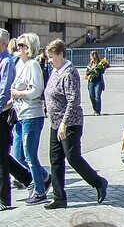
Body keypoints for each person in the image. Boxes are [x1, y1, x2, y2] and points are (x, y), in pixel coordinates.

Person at [44, 40, 108, 209]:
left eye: (51, 57)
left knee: (73, 158)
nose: (49, 60)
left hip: (70, 123)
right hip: (55, 123)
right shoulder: (55, 71)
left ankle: (99, 182)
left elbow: (73, 100)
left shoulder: (69, 72)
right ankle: (59, 197)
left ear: (60, 54)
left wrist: (64, 123)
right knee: (55, 159)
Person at [10, 33, 49, 205]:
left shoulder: (33, 65)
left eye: (23, 46)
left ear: (30, 47)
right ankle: (44, 178)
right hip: (20, 114)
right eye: (19, 45)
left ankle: (40, 191)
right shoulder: (20, 64)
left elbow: (36, 90)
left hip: (32, 115)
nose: (20, 48)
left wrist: (19, 94)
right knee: (19, 154)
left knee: (30, 154)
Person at [0, 29, 32, 211]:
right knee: (2, 155)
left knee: (1, 158)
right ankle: (30, 178)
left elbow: (4, 91)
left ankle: (4, 199)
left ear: (4, 44)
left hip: (3, 114)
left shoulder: (6, 62)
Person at [86, 51, 109, 115]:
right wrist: (91, 70)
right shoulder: (89, 64)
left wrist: (102, 67)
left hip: (98, 82)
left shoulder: (100, 63)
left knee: (97, 96)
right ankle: (95, 108)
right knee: (91, 96)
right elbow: (87, 73)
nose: (92, 58)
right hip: (91, 82)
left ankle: (97, 111)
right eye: (91, 56)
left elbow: (103, 71)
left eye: (93, 56)